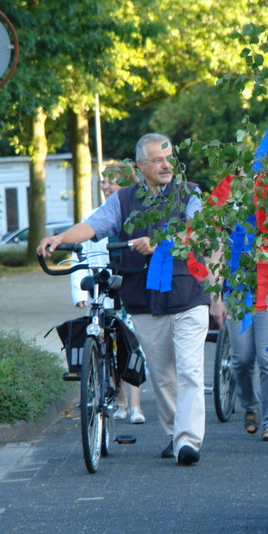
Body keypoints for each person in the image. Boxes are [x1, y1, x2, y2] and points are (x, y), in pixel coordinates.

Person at [39, 133, 223, 466]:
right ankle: (173, 434)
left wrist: (157, 242)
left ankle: (188, 441)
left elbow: (197, 228)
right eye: (157, 160)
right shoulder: (124, 200)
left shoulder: (191, 193)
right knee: (163, 375)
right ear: (141, 166)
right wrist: (61, 237)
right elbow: (95, 225)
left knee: (190, 372)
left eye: (168, 158)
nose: (166, 165)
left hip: (187, 298)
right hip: (143, 302)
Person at [70, 161, 145, 424]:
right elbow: (78, 254)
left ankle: (135, 404)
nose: (106, 186)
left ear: (126, 185)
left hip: (129, 288)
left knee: (131, 344)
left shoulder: (136, 217)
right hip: (101, 289)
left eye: (111, 181)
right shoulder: (93, 216)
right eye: (104, 181)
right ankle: (121, 400)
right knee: (106, 346)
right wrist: (79, 290)